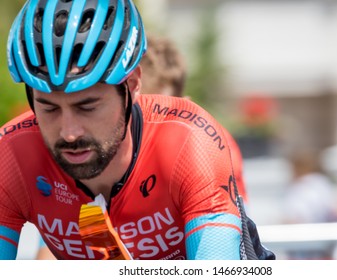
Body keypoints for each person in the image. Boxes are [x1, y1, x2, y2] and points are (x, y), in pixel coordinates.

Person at [1, 0, 272, 260]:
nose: (69, 133)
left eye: (88, 107)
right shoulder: (11, 156)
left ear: (131, 85)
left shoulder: (188, 141)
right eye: (49, 109)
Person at [139, 33, 249, 205]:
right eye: (140, 109)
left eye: (160, 109)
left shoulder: (211, 143)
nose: (148, 121)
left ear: (184, 105)